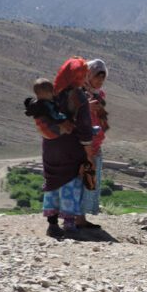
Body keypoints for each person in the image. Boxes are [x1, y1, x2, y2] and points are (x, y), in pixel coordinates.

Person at [41, 57, 95, 238]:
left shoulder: (51, 93)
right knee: (71, 183)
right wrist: (89, 154)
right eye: (83, 73)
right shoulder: (78, 96)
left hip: (50, 147)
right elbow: (85, 129)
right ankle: (69, 225)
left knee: (53, 181)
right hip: (70, 148)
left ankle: (52, 224)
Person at [79, 59, 110, 228]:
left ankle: (84, 215)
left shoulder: (99, 95)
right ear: (88, 75)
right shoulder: (80, 94)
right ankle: (77, 217)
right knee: (82, 180)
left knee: (90, 180)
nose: (99, 82)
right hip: (83, 145)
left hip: (95, 143)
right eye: (97, 77)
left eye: (102, 79)